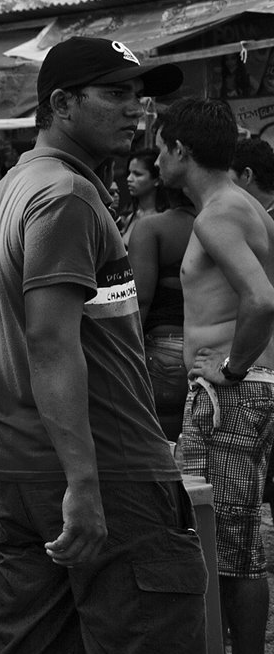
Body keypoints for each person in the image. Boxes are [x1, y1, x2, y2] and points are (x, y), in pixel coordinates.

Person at [0, 36, 201, 654]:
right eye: (115, 92)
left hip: (23, 468)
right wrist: (85, 481)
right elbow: (48, 335)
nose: (137, 109)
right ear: (62, 104)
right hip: (102, 471)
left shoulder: (12, 190)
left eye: (142, 94)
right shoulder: (65, 197)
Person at [155, 97, 274, 654]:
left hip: (233, 393)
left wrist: (233, 368)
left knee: (224, 534)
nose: (154, 159)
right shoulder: (241, 206)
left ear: (181, 150)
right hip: (244, 390)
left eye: (159, 146)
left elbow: (260, 300)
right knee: (238, 532)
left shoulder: (217, 215)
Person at [127, 153, 195, 441]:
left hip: (162, 352)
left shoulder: (152, 228)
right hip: (213, 354)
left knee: (160, 454)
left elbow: (139, 301)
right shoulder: (230, 222)